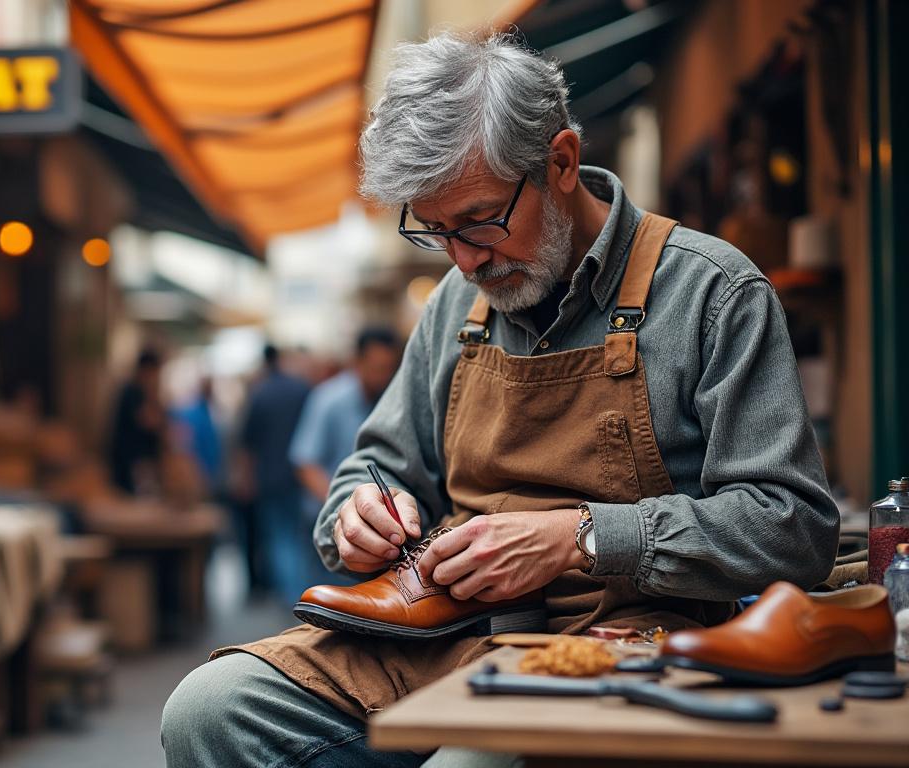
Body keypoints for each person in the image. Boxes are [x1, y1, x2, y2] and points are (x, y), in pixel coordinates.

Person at [163, 32, 837, 767]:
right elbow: (379, 465)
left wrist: (579, 534)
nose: (465, 259)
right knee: (208, 711)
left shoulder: (712, 294)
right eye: (437, 230)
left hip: (625, 642)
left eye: (481, 219)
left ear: (562, 161)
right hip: (444, 634)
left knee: (471, 761)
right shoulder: (456, 304)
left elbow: (793, 528)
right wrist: (356, 511)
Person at [289, 327, 402, 586]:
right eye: (377, 367)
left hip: (375, 526)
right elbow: (305, 463)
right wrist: (342, 504)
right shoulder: (328, 400)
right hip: (327, 520)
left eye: (389, 368)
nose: (383, 376)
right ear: (358, 362)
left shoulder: (390, 399)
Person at [237, 344, 312, 603]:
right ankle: (302, 593)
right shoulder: (301, 389)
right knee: (297, 537)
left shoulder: (260, 394)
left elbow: (247, 443)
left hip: (268, 477)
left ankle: (292, 596)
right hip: (298, 475)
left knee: (279, 538)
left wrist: (245, 478)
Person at [107, 349, 166, 495]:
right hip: (131, 461)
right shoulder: (132, 391)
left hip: (136, 461)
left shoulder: (134, 391)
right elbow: (150, 421)